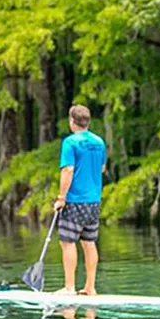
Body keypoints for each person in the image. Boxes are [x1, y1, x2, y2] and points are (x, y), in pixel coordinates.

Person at [54, 105, 107, 295]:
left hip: (75, 201)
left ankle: (69, 288)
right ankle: (90, 287)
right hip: (94, 202)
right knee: (89, 242)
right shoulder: (99, 142)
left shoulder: (70, 142)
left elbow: (67, 170)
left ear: (72, 121)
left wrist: (61, 198)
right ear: (88, 121)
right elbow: (102, 168)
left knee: (67, 242)